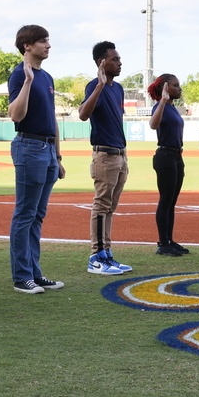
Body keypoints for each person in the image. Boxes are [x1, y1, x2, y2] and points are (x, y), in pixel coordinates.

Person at [7, 24, 66, 294]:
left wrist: (58, 154)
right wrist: (28, 82)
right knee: (25, 213)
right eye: (42, 41)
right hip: (28, 145)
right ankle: (22, 277)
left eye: (48, 41)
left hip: (46, 150)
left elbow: (51, 118)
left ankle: (34, 273)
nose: (48, 45)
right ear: (27, 46)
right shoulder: (20, 75)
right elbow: (16, 115)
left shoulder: (48, 77)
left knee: (38, 215)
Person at [78, 41, 132, 276]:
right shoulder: (94, 86)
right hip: (104, 156)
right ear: (102, 62)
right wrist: (99, 86)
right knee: (101, 206)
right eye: (115, 59)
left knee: (110, 208)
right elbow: (83, 114)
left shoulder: (118, 88)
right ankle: (95, 257)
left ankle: (107, 254)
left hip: (120, 156)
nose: (120, 63)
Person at [148, 74, 188, 257]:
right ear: (165, 88)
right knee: (165, 201)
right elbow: (153, 125)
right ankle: (162, 244)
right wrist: (163, 101)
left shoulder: (173, 108)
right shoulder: (161, 106)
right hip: (165, 156)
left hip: (176, 157)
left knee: (171, 202)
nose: (179, 88)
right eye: (175, 85)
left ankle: (169, 240)